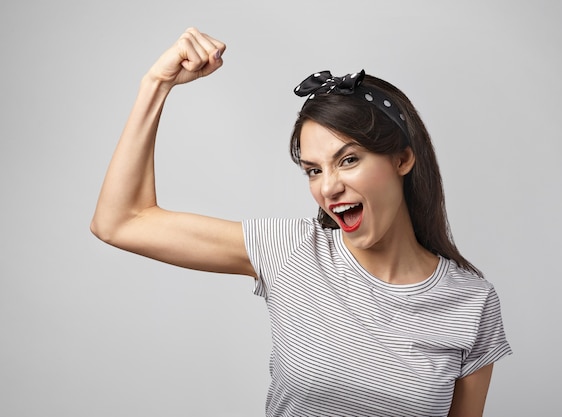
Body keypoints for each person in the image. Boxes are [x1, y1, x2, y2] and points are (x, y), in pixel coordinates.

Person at [91, 27, 512, 417]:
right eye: (313, 170)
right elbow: (121, 222)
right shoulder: (291, 251)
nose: (328, 188)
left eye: (348, 160)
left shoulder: (472, 304)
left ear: (402, 159)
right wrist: (156, 85)